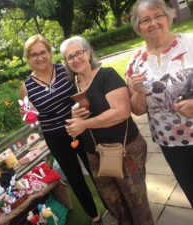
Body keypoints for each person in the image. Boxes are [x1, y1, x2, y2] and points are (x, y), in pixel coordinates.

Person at [60, 35, 154, 225]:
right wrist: (77, 118)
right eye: (70, 57)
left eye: (78, 53)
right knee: (114, 203)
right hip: (96, 154)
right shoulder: (75, 84)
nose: (75, 59)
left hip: (125, 149)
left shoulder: (107, 75)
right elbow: (85, 113)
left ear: (88, 53)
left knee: (137, 203)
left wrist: (85, 124)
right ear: (66, 62)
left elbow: (122, 112)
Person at [20, 34, 103, 225]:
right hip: (55, 136)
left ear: (50, 53)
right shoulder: (26, 87)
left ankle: (112, 205)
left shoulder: (66, 70)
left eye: (43, 52)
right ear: (28, 58)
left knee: (96, 170)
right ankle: (95, 217)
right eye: (34, 55)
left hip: (80, 127)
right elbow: (29, 117)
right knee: (75, 178)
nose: (40, 57)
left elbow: (83, 90)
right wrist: (27, 116)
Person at [126, 0, 193, 207]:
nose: (153, 23)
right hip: (170, 141)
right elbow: (138, 110)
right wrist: (137, 93)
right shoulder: (135, 63)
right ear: (138, 26)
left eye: (158, 16)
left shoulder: (190, 43)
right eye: (146, 20)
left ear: (169, 17)